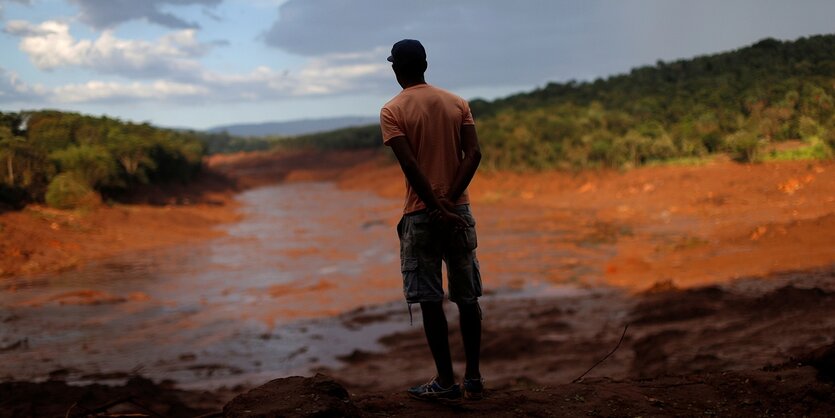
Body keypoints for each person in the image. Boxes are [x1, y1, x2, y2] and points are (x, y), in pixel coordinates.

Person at [380, 39, 484, 403]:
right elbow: (474, 154)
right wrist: (450, 201)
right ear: (425, 64)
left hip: (420, 214)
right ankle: (473, 378)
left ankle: (445, 382)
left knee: (429, 300)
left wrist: (435, 207)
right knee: (467, 297)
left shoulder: (392, 110)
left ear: (396, 69)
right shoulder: (458, 103)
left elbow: (410, 164)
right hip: (459, 211)